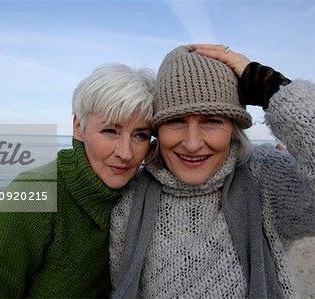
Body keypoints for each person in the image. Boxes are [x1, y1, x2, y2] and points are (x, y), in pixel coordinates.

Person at [110, 44, 315, 298]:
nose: (193, 143)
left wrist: (274, 90)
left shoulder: (265, 179)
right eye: (175, 121)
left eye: (212, 121)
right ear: (157, 128)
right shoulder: (131, 201)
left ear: (233, 127)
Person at [0, 63, 155, 298]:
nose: (126, 153)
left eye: (140, 135)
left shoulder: (141, 195)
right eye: (110, 131)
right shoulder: (30, 197)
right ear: (77, 128)